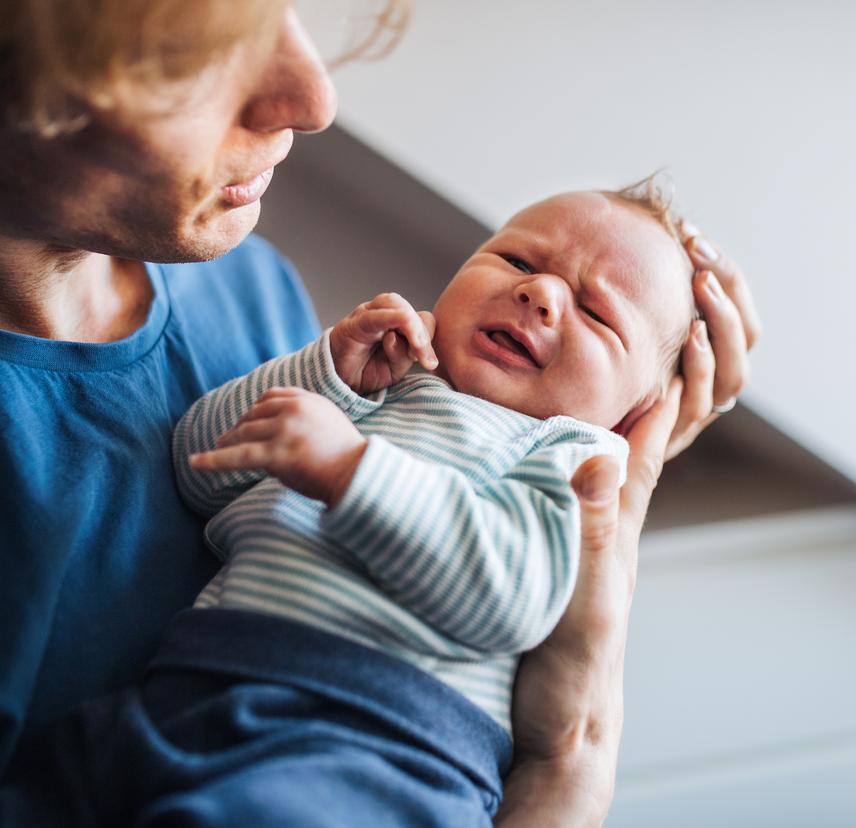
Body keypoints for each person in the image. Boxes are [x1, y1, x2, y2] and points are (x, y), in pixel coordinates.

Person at [0, 1, 761, 824]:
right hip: (192, 696)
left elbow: (510, 595)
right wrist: (325, 375)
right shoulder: (380, 385)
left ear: (634, 410)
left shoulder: (565, 458)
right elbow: (198, 465)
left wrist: (350, 463)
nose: (315, 98)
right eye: (514, 259)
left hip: (374, 732)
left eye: (598, 315)